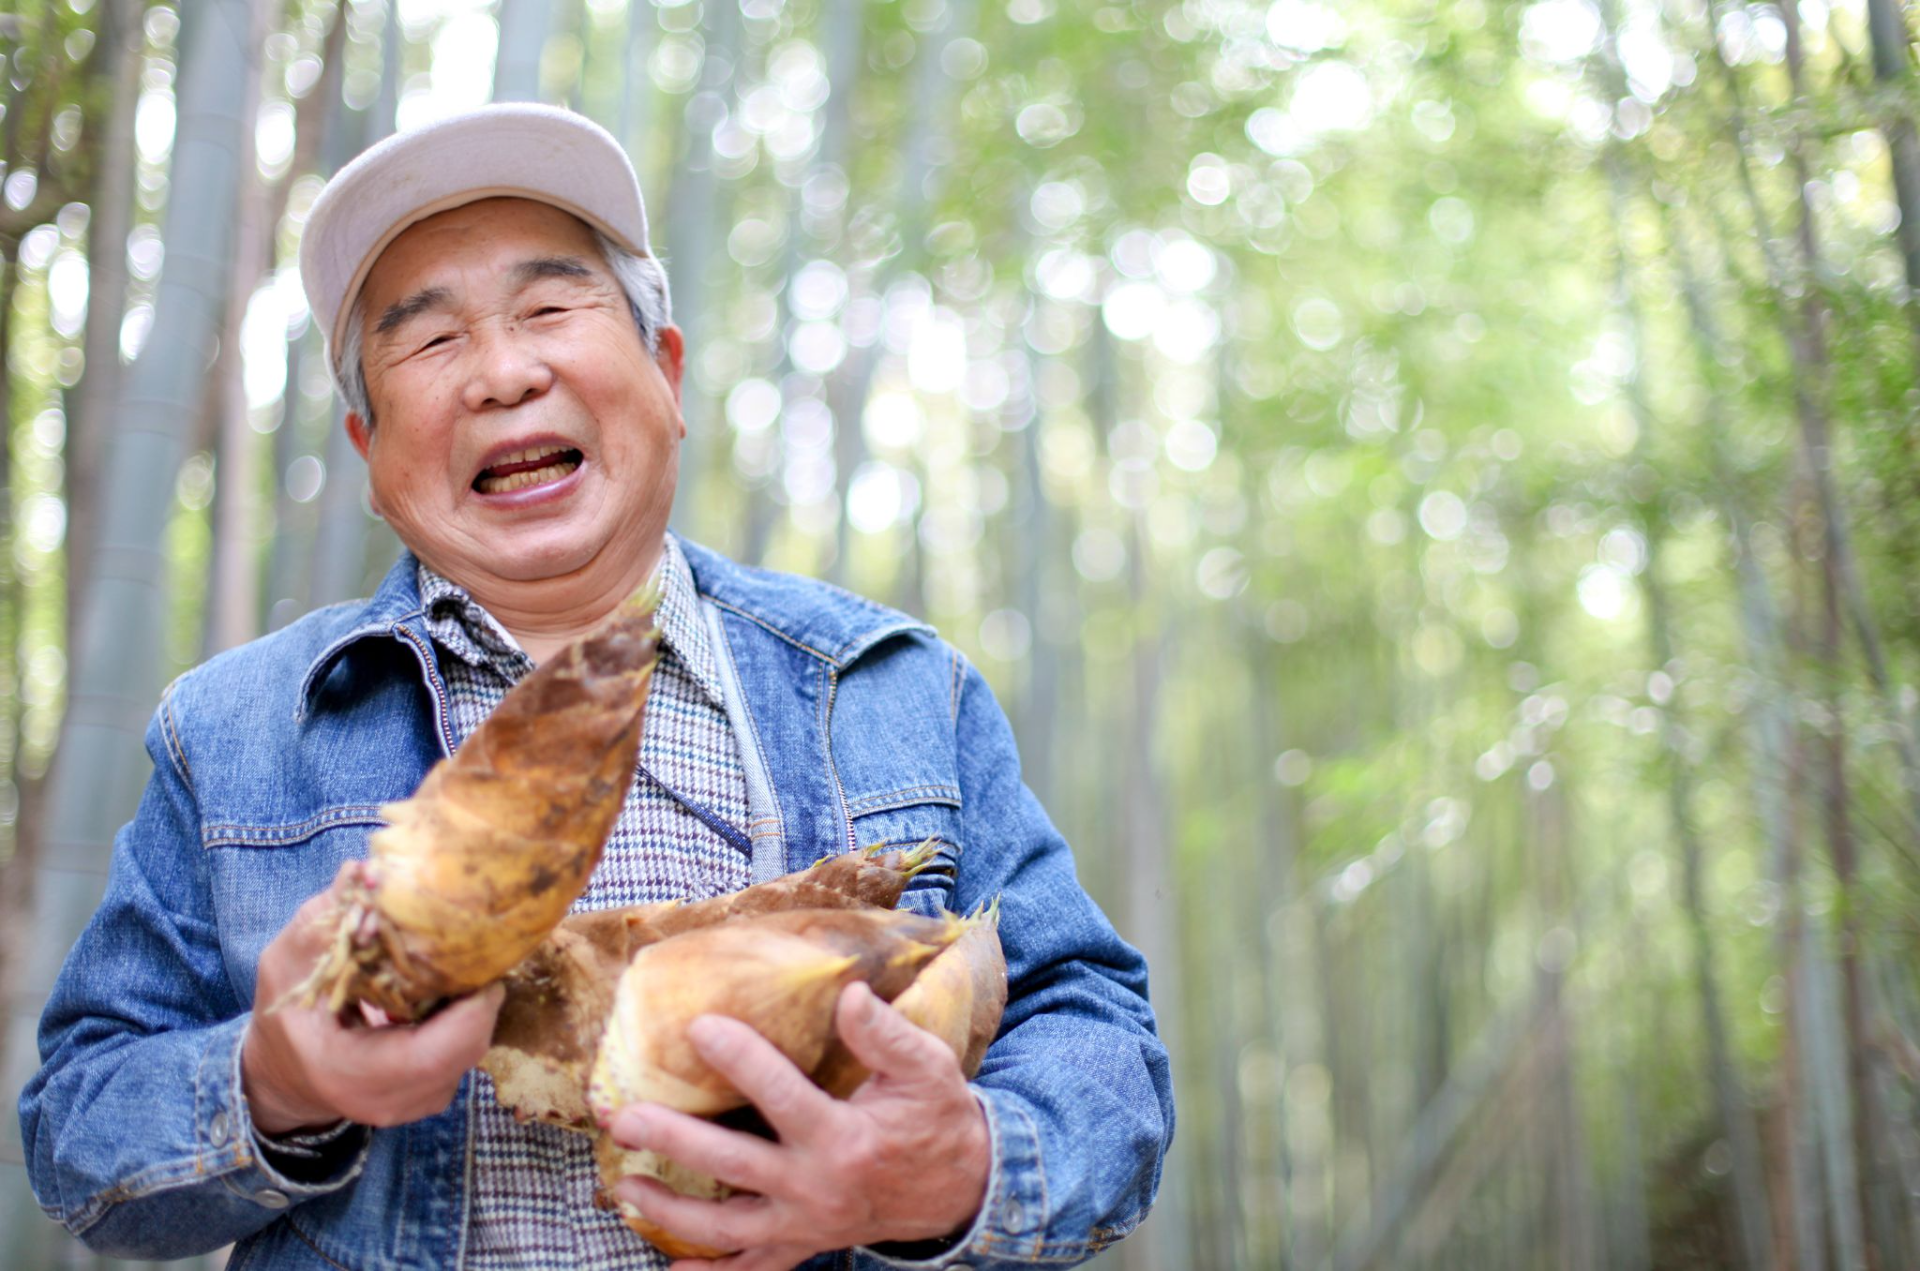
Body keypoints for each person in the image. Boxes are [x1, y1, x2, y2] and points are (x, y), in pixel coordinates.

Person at [17, 103, 1172, 1270]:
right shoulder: (233, 734)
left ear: (666, 375)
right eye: (430, 342)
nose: (505, 373)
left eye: (551, 308)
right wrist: (274, 1074)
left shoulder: (894, 688)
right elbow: (78, 1137)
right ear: (370, 456)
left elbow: (1100, 1034)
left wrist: (959, 1162)